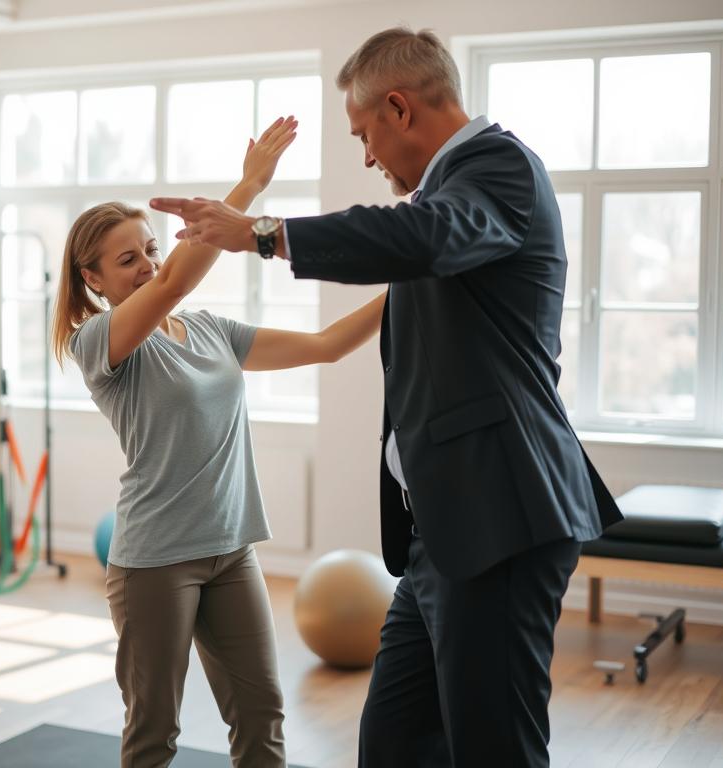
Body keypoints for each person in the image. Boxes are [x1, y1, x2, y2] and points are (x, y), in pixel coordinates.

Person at [150, 27, 623, 768]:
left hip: (499, 518)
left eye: (365, 134)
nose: (367, 157)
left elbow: (423, 237)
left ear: (399, 108)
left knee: (493, 748)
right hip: (446, 530)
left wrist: (265, 233)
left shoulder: (496, 166)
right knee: (394, 743)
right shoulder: (443, 198)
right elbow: (414, 251)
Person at [51, 115, 386, 768]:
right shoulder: (102, 343)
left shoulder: (209, 331)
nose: (148, 266)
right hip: (155, 563)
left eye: (151, 248)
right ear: (94, 280)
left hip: (232, 551)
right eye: (128, 260)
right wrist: (250, 186)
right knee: (155, 734)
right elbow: (175, 280)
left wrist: (417, 281)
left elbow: (325, 346)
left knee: (262, 718)